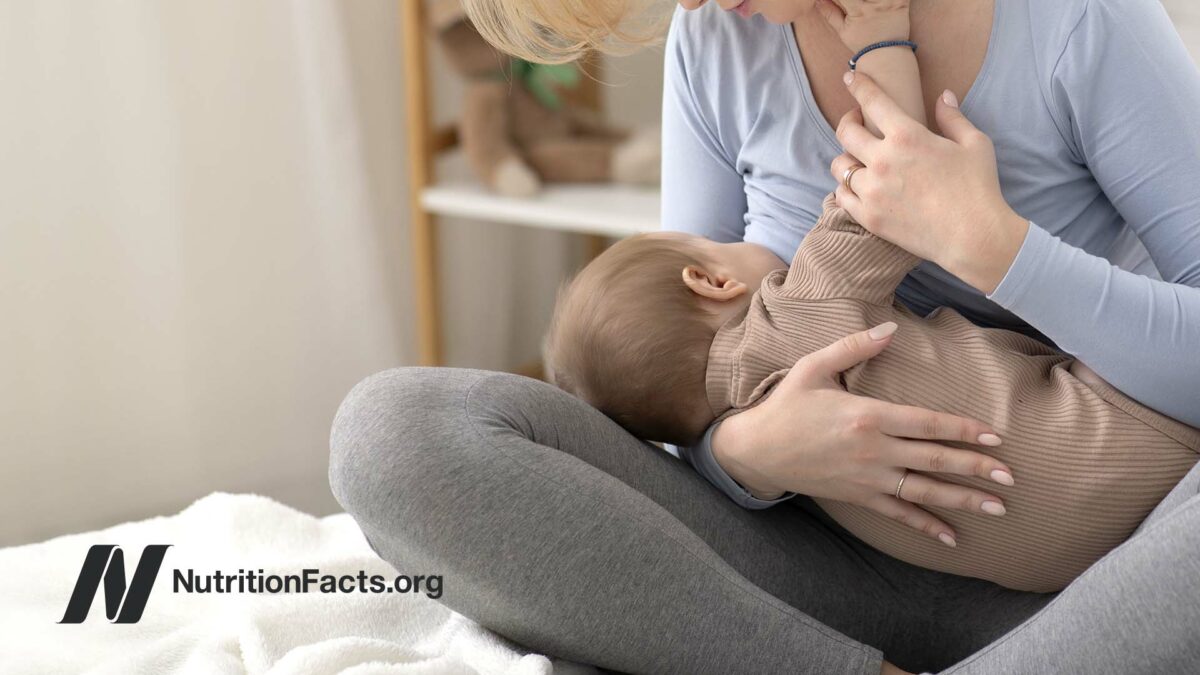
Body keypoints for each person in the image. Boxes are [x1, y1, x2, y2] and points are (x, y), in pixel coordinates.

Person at [330, 0, 1200, 672]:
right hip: (817, 571)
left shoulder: (1077, 20)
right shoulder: (712, 40)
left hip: (1101, 573)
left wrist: (998, 250)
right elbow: (670, 370)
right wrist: (749, 456)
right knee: (394, 431)